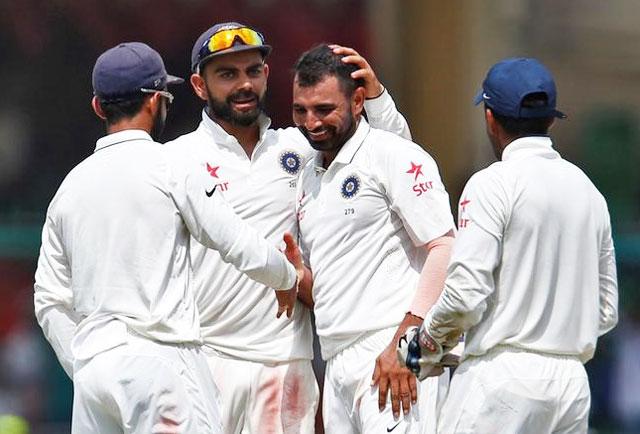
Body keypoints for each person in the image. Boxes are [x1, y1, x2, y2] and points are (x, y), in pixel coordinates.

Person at [33, 42, 303, 434]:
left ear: (98, 106)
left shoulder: (69, 188)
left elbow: (48, 299)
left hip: (94, 370)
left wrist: (86, 360)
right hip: (161, 362)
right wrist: (285, 276)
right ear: (155, 100)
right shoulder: (171, 165)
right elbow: (236, 241)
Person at [164, 22, 413, 434]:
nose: (244, 84)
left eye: (253, 70)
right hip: (205, 358)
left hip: (285, 361)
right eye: (227, 74)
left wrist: (378, 100)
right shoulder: (175, 160)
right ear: (198, 85)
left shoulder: (298, 147)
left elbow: (395, 164)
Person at [400, 57, 619, 433]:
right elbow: (607, 310)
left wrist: (425, 344)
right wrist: (555, 332)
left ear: (489, 116)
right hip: (570, 386)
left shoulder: (492, 183)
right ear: (551, 119)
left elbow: (466, 292)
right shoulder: (588, 191)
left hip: (501, 382)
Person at [292, 44, 455, 434]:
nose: (311, 122)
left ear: (358, 100)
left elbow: (445, 247)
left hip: (389, 351)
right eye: (301, 110)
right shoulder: (307, 178)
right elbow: (332, 288)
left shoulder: (391, 154)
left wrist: (406, 345)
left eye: (325, 109)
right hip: (336, 361)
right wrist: (293, 275)